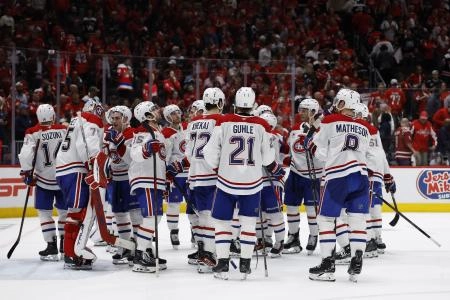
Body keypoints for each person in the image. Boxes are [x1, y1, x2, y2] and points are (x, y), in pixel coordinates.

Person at [203, 87, 284, 280]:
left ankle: (222, 262)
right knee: (248, 224)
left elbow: (210, 152)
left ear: (235, 103)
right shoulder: (261, 125)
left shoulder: (224, 122)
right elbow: (267, 159)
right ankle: (245, 263)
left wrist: (218, 167)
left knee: (222, 223)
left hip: (226, 181)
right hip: (252, 183)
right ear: (253, 104)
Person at [307, 88, 371, 282]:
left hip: (338, 176)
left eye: (338, 101)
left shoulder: (330, 120)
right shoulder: (365, 127)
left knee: (326, 219)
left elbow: (321, 152)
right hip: (361, 176)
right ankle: (357, 258)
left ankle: (327, 264)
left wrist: (310, 143)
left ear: (343, 103)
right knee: (357, 218)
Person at [178, 87, 225, 272]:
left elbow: (188, 153)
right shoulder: (221, 120)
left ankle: (203, 251)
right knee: (209, 216)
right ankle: (209, 254)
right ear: (220, 103)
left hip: (194, 175)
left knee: (199, 215)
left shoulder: (193, 122)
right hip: (212, 175)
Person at [55, 99, 105, 270]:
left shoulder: (76, 119)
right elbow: (86, 143)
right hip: (74, 169)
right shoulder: (90, 119)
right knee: (76, 212)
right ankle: (71, 253)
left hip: (64, 168)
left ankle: (70, 250)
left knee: (75, 211)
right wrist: (92, 164)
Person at [18, 104, 68, 261]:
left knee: (44, 213)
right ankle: (65, 245)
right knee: (64, 212)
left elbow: (25, 155)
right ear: (53, 115)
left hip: (43, 180)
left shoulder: (33, 132)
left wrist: (27, 172)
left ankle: (51, 247)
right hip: (63, 176)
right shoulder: (63, 129)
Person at [129, 101, 167, 273]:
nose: (157, 111)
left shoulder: (158, 131)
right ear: (147, 115)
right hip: (145, 179)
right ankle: (139, 255)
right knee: (151, 218)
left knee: (156, 218)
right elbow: (135, 153)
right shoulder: (142, 131)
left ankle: (146, 251)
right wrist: (146, 149)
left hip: (156, 180)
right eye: (153, 110)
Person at [283, 98, 323, 255]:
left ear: (313, 111)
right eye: (300, 110)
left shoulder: (322, 130)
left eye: (304, 110)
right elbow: (291, 149)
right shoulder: (294, 129)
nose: (301, 113)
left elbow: (323, 155)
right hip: (295, 174)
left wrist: (313, 147)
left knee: (312, 209)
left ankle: (314, 235)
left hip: (314, 176)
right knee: (291, 206)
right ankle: (293, 236)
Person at [103, 106, 142, 264]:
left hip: (129, 179)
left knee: (135, 214)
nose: (114, 121)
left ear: (126, 119)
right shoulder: (110, 134)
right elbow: (107, 157)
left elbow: (132, 159)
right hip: (116, 180)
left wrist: (118, 141)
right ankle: (126, 247)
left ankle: (139, 248)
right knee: (119, 214)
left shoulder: (131, 134)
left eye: (117, 118)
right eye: (112, 118)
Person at [258, 112, 286, 257]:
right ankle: (263, 240)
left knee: (274, 214)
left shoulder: (274, 137)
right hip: (258, 180)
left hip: (271, 180)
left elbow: (269, 157)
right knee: (259, 214)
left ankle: (280, 241)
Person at [161, 104, 188, 249]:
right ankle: (174, 231)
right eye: (173, 113)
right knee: (173, 204)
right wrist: (167, 173)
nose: (177, 115)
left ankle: (195, 232)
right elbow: (166, 157)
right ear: (167, 117)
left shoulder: (187, 128)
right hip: (176, 174)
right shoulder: (166, 133)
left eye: (178, 112)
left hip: (190, 172)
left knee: (193, 203)